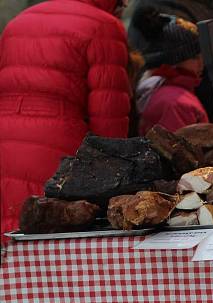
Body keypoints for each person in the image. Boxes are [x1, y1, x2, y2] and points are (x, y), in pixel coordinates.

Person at [0, 0, 131, 241]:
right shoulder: (104, 26)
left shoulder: (19, 21)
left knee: (11, 228)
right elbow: (108, 118)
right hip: (60, 143)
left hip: (6, 139)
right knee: (55, 232)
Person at [133, 8, 209, 134]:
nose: (202, 63)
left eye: (201, 56)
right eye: (194, 57)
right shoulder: (175, 103)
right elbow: (178, 151)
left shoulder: (167, 92)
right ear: (174, 61)